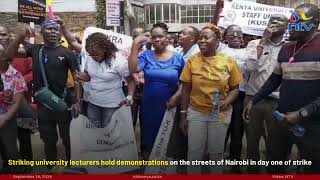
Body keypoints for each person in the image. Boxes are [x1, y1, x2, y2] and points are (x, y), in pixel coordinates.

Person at [243, 4, 320, 174]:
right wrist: (254, 100)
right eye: (291, 20)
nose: (291, 25)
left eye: (297, 21)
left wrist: (302, 114)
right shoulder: (286, 48)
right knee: (275, 166)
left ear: (314, 23)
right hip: (283, 120)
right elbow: (274, 80)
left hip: (313, 124)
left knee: (312, 169)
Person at [6, 19, 81, 163]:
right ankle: (51, 166)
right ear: (41, 31)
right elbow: (9, 55)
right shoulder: (35, 49)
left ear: (60, 33)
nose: (53, 32)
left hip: (64, 104)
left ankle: (72, 165)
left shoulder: (67, 53)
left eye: (56, 29)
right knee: (48, 139)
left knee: (68, 139)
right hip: (43, 106)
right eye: (49, 29)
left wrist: (78, 101)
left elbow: (77, 78)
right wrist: (20, 36)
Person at [179, 24, 242, 174]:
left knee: (216, 151)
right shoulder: (192, 61)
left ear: (217, 40)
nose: (201, 41)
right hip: (196, 112)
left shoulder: (228, 61)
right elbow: (186, 89)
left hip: (219, 113)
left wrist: (227, 101)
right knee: (194, 151)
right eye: (200, 38)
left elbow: (235, 90)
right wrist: (183, 115)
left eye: (206, 38)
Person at [61, 20, 135, 128]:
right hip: (93, 103)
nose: (93, 57)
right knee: (94, 135)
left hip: (112, 105)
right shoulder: (89, 56)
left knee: (109, 135)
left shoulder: (118, 62)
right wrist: (84, 78)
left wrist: (129, 96)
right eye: (91, 55)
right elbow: (72, 43)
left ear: (105, 49)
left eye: (96, 55)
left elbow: (131, 80)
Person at [128, 23, 185, 158]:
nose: (157, 40)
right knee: (150, 133)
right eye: (154, 37)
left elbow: (185, 82)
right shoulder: (146, 56)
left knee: (169, 135)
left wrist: (176, 97)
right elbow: (133, 69)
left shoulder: (178, 58)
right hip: (149, 105)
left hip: (170, 104)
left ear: (167, 37)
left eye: (160, 36)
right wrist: (135, 46)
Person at [242, 14, 288, 174]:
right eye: (271, 20)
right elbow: (248, 68)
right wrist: (263, 40)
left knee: (274, 141)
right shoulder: (254, 43)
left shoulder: (290, 47)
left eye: (279, 20)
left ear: (286, 27)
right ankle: (253, 171)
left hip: (277, 100)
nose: (274, 22)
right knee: (252, 140)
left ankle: (273, 171)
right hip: (252, 100)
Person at [219, 24, 247, 173]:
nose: (235, 36)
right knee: (221, 126)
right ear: (225, 37)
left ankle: (235, 159)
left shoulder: (248, 52)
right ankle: (216, 157)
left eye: (238, 34)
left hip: (240, 95)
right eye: (231, 34)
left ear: (243, 38)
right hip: (222, 94)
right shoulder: (220, 50)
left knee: (237, 128)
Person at [0, 44, 27, 174]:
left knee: (11, 149)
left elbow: (16, 102)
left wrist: (4, 119)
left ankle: (17, 171)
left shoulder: (15, 75)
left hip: (6, 117)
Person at [11, 44, 34, 168]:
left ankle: (26, 163)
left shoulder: (23, 55)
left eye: (3, 34)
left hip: (22, 101)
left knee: (24, 135)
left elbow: (34, 72)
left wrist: (21, 81)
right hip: (3, 105)